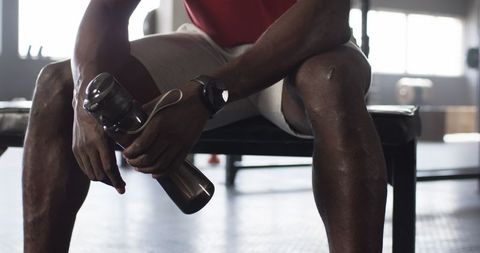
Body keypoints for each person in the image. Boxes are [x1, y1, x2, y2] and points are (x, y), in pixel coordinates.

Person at [22, 0, 387, 252]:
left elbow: (328, 14)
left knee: (330, 80)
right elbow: (107, 9)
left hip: (303, 48)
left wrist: (208, 94)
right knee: (58, 85)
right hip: (208, 46)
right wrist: (84, 100)